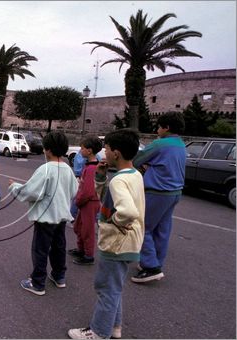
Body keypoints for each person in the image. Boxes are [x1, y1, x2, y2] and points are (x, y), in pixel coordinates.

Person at [67, 129, 145, 340]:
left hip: (116, 242)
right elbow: (107, 198)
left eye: (107, 149)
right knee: (114, 287)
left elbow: (128, 211)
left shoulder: (119, 181)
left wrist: (113, 223)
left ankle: (98, 331)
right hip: (131, 241)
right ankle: (114, 327)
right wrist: (101, 177)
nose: (104, 153)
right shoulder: (133, 174)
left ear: (116, 153)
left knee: (105, 288)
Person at [9, 131, 78, 296]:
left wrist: (14, 187)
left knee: (40, 249)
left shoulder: (45, 169)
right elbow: (74, 190)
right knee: (58, 247)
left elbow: (31, 191)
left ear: (47, 149)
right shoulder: (67, 168)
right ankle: (59, 276)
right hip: (61, 216)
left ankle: (38, 282)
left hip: (45, 218)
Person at [131, 112, 186, 283]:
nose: (157, 130)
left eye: (159, 127)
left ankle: (150, 266)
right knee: (162, 230)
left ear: (166, 128)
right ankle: (156, 263)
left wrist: (147, 165)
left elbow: (136, 160)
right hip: (174, 192)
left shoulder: (160, 144)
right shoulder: (180, 144)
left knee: (143, 227)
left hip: (158, 191)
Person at [69, 135, 102, 265]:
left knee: (87, 230)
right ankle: (81, 249)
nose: (80, 151)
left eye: (82, 148)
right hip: (85, 202)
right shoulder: (88, 166)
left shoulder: (92, 168)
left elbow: (88, 191)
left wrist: (78, 201)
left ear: (89, 151)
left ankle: (88, 255)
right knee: (79, 226)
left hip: (89, 202)